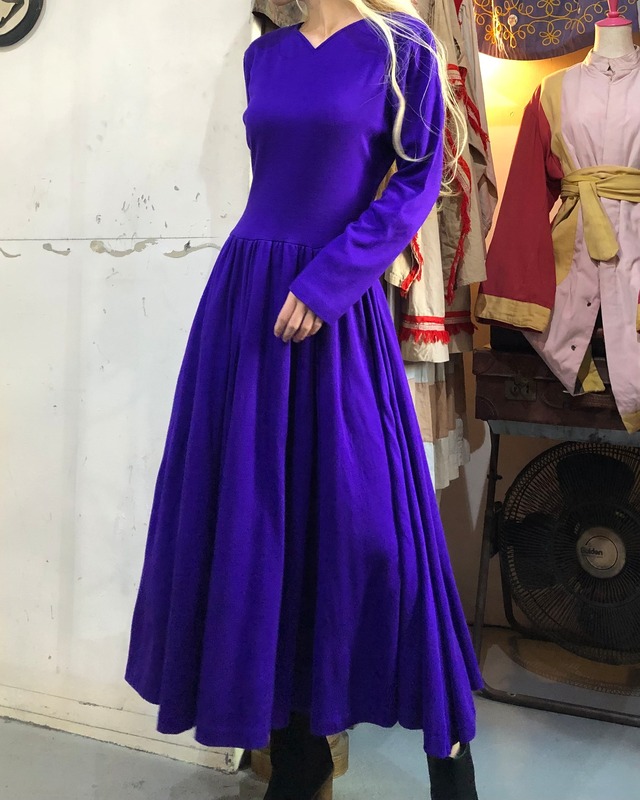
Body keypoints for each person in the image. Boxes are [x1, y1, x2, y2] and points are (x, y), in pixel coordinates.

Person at [125, 1, 483, 798]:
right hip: (246, 304)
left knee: (378, 533)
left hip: (335, 309)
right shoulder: (265, 54)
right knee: (257, 526)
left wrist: (330, 282)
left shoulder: (402, 46)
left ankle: (451, 756)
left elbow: (416, 181)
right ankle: (296, 755)